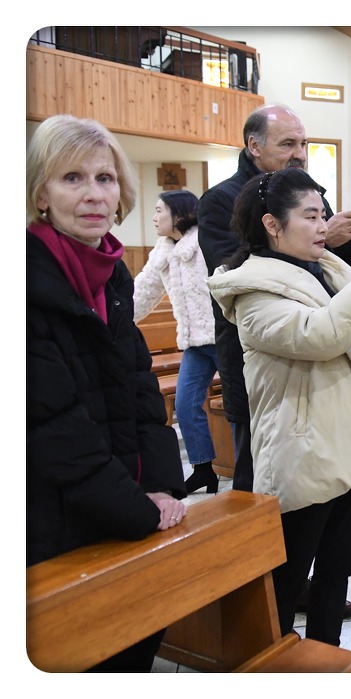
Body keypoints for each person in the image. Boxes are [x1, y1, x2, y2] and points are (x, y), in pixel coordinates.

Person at [206, 167, 351, 647]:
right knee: (288, 580)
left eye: (322, 214)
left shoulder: (330, 268)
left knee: (337, 572)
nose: (322, 226)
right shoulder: (251, 288)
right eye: (310, 216)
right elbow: (322, 335)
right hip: (304, 452)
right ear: (272, 225)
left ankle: (327, 659)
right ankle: (275, 665)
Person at [199, 103, 351, 619]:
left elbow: (344, 281)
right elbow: (237, 266)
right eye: (288, 143)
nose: (300, 153)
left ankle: (315, 599)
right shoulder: (220, 200)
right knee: (267, 496)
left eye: (303, 143)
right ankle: (257, 602)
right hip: (266, 365)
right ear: (254, 145)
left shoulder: (308, 195)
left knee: (330, 514)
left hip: (330, 366)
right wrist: (324, 238)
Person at [27, 114, 187, 671]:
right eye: (72, 178)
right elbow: (54, 428)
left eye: (105, 178)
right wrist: (136, 509)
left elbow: (140, 389)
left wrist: (162, 486)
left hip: (121, 506)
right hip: (53, 521)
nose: (94, 194)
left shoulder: (112, 276)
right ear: (41, 194)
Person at [134, 189, 220, 494]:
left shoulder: (204, 243)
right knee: (184, 405)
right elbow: (142, 293)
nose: (154, 217)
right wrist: (113, 319)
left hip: (222, 339)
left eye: (160, 210)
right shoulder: (163, 252)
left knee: (240, 407)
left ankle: (249, 470)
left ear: (180, 214)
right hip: (194, 343)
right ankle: (203, 469)